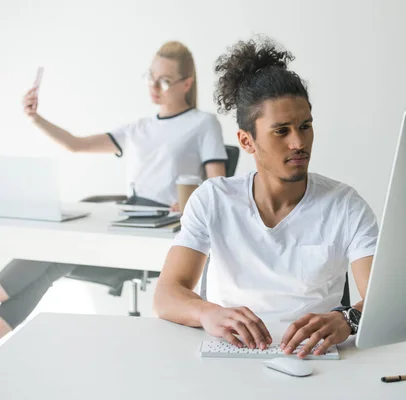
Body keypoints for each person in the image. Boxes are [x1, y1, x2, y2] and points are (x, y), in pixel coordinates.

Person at [153, 37, 378, 358]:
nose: (298, 142)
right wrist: (208, 313)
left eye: (305, 126)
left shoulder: (345, 205)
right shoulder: (213, 200)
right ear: (246, 141)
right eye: (281, 130)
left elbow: (382, 299)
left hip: (313, 360)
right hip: (230, 355)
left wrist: (348, 318)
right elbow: (166, 294)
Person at [0, 41, 228, 339]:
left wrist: (192, 203)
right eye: (150, 77)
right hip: (130, 217)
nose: (154, 86)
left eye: (165, 80)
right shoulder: (139, 128)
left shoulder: (203, 124)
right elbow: (76, 144)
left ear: (187, 83)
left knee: (54, 253)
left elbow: (217, 186)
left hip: (162, 229)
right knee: (51, 254)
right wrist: (35, 118)